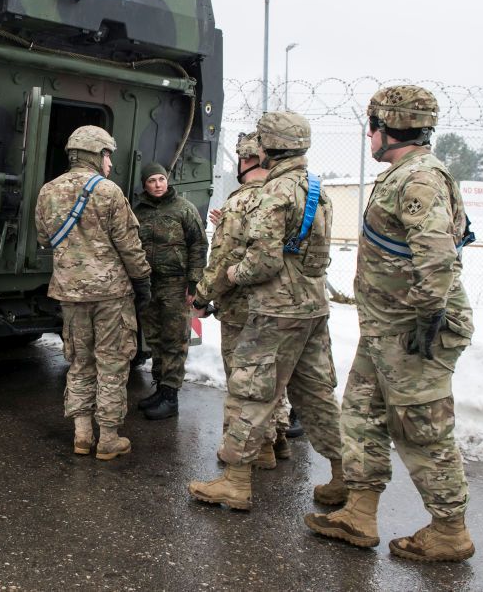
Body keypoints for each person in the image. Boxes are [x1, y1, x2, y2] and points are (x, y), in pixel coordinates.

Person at [304, 85, 476, 562]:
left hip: (412, 331)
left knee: (421, 428)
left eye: (372, 128)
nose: (369, 137)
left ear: (387, 128)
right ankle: (359, 512)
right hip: (386, 329)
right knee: (361, 415)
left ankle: (449, 529)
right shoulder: (405, 174)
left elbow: (437, 257)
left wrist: (427, 314)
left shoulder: (418, 179)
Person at [188, 111, 345, 511]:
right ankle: (347, 477)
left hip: (275, 311)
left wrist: (234, 275)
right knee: (316, 395)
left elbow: (262, 263)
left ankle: (236, 481)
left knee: (251, 393)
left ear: (266, 148)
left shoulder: (273, 194)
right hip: (313, 307)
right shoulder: (317, 190)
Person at [35, 125, 151, 461]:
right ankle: (109, 438)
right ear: (93, 154)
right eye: (107, 154)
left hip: (70, 294)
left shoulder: (48, 191)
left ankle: (82, 435)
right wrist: (142, 281)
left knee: (80, 363)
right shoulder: (109, 192)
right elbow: (129, 245)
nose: (110, 163)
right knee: (112, 364)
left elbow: (43, 238)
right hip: (111, 295)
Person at [193, 133, 292, 467]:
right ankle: (276, 441)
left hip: (241, 308)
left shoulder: (240, 201)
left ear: (246, 160)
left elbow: (223, 261)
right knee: (271, 377)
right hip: (281, 305)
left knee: (242, 381)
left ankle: (246, 454)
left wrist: (201, 296)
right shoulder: (285, 196)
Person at [132, 162, 207, 420]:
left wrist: (194, 281)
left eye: (161, 179)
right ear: (145, 184)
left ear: (167, 181)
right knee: (154, 338)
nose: (157, 184)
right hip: (148, 283)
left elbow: (198, 244)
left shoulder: (183, 208)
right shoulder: (137, 211)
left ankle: (171, 396)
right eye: (152, 180)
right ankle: (160, 388)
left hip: (176, 284)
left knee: (175, 340)